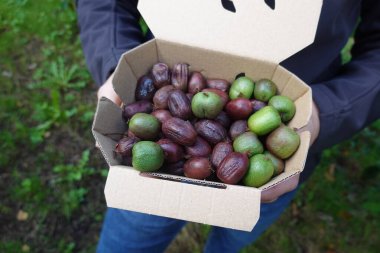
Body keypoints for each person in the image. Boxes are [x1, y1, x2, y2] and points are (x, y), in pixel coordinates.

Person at [76, 1, 380, 252]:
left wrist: (321, 111)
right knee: (132, 235)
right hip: (150, 175)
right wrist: (117, 63)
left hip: (285, 153)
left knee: (234, 237)